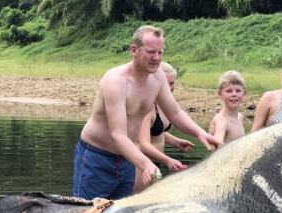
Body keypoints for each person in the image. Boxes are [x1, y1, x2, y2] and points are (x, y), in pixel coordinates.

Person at [72, 25, 220, 200]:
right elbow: (118, 135)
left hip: (127, 159)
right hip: (97, 158)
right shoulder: (116, 81)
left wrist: (200, 132)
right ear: (134, 50)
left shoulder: (157, 78)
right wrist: (147, 164)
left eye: (160, 52)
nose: (156, 58)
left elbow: (175, 112)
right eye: (151, 52)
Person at [134, 62, 195, 193]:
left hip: (156, 164)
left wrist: (176, 142)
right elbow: (144, 144)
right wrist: (169, 160)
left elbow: (156, 131)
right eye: (166, 83)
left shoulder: (163, 105)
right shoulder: (147, 107)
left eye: (172, 83)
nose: (169, 88)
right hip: (141, 167)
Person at [208, 70, 247, 147]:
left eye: (238, 90)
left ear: (244, 93)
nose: (234, 94)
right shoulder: (221, 121)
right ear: (220, 94)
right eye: (229, 91)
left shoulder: (240, 117)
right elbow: (218, 147)